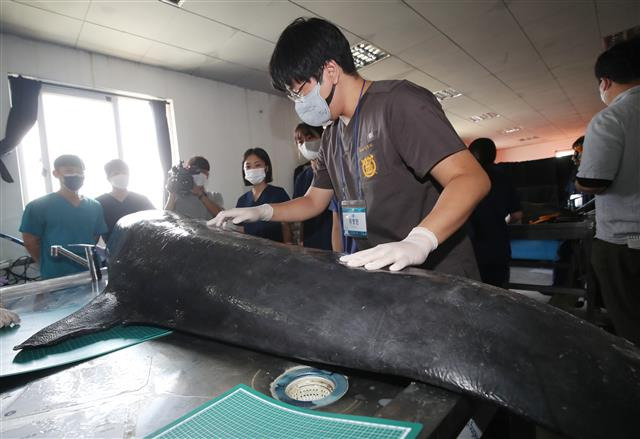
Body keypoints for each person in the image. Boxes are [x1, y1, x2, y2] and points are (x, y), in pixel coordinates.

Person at [210, 18, 490, 276]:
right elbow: (313, 201)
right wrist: (261, 211)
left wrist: (420, 240)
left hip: (438, 272)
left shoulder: (397, 103)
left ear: (330, 71)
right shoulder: (332, 136)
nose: (299, 104)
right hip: (381, 272)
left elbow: (470, 178)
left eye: (300, 92)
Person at [575, 37, 640, 345]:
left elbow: (594, 182)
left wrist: (579, 178)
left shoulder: (612, 118)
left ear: (605, 81)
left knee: (631, 324)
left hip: (626, 242)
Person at [19, 154, 108, 279]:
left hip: (90, 271)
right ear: (56, 173)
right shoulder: (38, 206)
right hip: (56, 274)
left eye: (79, 172)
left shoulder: (94, 206)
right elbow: (30, 242)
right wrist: (46, 263)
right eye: (69, 171)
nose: (75, 175)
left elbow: (94, 236)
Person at [467, 138, 522, 287]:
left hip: (470, 246)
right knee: (498, 292)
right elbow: (517, 215)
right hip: (498, 244)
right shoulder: (504, 176)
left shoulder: (464, 176)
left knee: (471, 292)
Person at [236, 148, 292, 243]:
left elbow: (286, 226)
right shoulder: (242, 200)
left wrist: (289, 247)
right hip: (251, 252)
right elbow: (241, 232)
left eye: (257, 165)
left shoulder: (278, 193)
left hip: (277, 252)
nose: (252, 170)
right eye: (248, 167)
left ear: (266, 168)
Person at [293, 123, 333, 250]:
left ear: (322, 136)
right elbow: (298, 211)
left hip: (334, 234)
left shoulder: (335, 169)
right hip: (312, 238)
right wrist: (299, 240)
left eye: (309, 138)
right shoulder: (302, 177)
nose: (305, 144)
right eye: (300, 141)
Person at [96, 159, 154, 242]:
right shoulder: (99, 203)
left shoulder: (141, 199)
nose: (121, 175)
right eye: (116, 173)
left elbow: (158, 221)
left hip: (143, 247)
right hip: (114, 251)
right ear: (108, 178)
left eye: (124, 173)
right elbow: (95, 233)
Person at [165, 156, 223, 220]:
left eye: (200, 173)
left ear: (207, 175)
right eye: (193, 172)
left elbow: (222, 216)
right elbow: (166, 219)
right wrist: (171, 194)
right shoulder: (176, 196)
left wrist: (200, 194)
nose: (196, 176)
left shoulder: (215, 196)